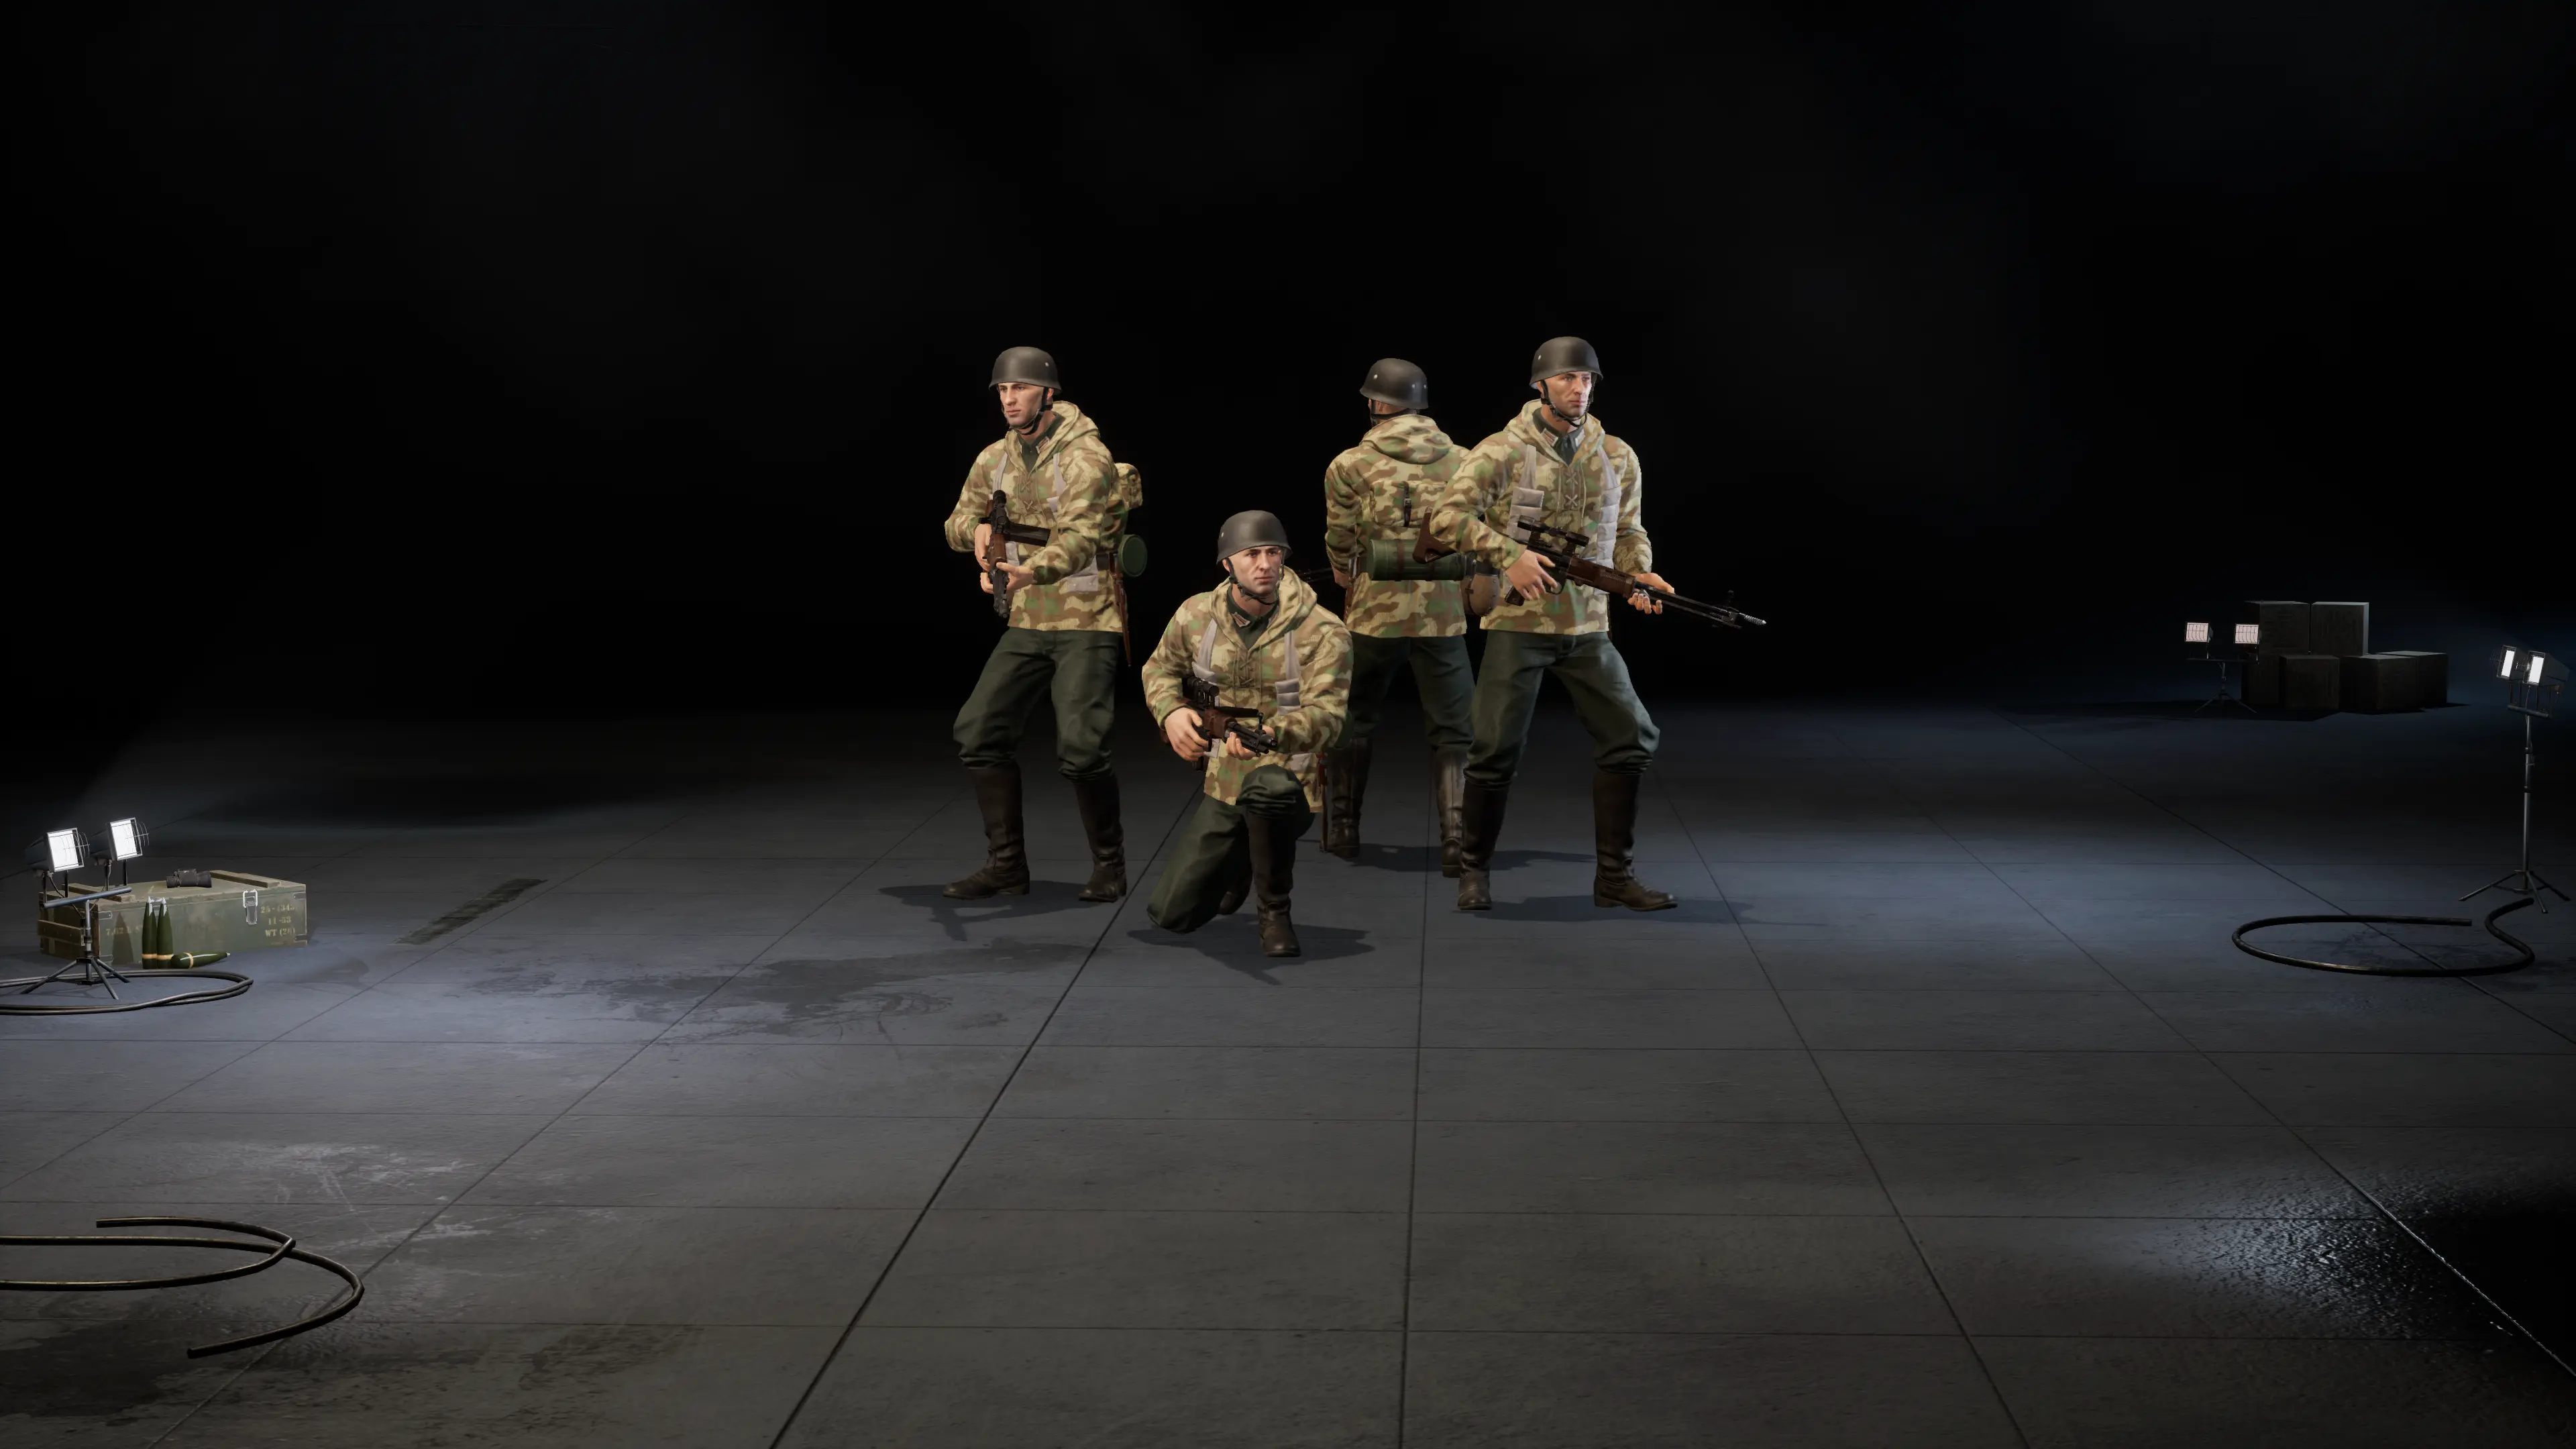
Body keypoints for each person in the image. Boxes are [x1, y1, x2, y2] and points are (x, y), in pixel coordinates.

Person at [1422, 336, 1680, 912]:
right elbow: (1446, 518)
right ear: (1541, 385)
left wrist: (1639, 574)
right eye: (1567, 378)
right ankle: (1474, 870)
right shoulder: (1502, 451)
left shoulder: (1616, 455)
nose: (1579, 389)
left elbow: (1628, 530)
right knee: (1494, 747)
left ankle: (1614, 877)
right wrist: (1508, 554)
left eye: (1587, 379)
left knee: (1632, 735)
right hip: (1520, 620)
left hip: (1587, 625)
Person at [938, 346, 1132, 902]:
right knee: (978, 732)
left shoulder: (1086, 456)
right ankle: (1006, 866)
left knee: (1082, 749)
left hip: (1086, 615)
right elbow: (956, 520)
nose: (1009, 399)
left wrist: (1028, 573)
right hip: (1028, 619)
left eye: (1020, 388)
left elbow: (1081, 538)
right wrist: (975, 534)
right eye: (1003, 390)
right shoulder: (995, 458)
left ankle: (1110, 865)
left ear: (1048, 394)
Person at [1141, 512, 1353, 957]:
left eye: (1273, 552)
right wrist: (1171, 712)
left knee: (1269, 790)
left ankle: (1274, 912)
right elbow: (1159, 668)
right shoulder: (1196, 615)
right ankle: (1242, 863)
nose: (1265, 564)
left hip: (1289, 783)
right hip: (1225, 783)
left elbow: (1329, 716)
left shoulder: (1323, 630)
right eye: (1251, 554)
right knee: (1171, 913)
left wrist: (1273, 733)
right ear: (1228, 564)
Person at [1318, 358, 1476, 874]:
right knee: (1454, 729)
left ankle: (1344, 829)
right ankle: (1456, 840)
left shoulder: (1349, 465)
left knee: (1352, 716)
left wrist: (1346, 571)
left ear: (1376, 403)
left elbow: (1340, 540)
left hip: (1373, 613)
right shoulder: (1464, 461)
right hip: (1443, 614)